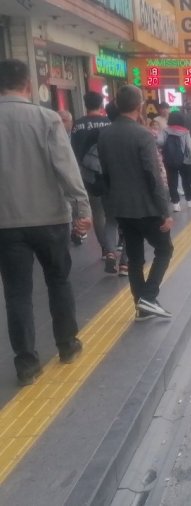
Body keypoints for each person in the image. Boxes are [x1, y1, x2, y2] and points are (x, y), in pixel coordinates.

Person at [0, 59, 92, 386]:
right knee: (58, 281)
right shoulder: (48, 118)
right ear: (28, 85)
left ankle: (26, 364)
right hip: (51, 218)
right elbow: (66, 168)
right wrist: (83, 209)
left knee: (17, 294)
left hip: (6, 223)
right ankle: (67, 345)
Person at [97, 85, 175, 321]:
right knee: (164, 249)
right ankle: (148, 298)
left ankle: (141, 307)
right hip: (147, 207)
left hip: (121, 207)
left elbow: (105, 172)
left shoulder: (105, 134)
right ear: (140, 105)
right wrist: (165, 210)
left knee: (135, 257)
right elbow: (154, 175)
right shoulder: (143, 134)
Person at [71, 91, 128, 275]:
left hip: (88, 175)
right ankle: (119, 251)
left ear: (85, 103)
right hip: (112, 175)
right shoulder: (109, 123)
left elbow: (73, 150)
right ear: (101, 104)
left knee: (98, 212)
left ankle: (106, 250)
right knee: (117, 216)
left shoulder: (77, 125)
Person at [160, 111, 191, 211]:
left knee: (172, 181)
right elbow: (190, 147)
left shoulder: (165, 130)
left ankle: (176, 204)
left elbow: (159, 142)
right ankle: (189, 201)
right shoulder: (185, 131)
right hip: (184, 160)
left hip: (169, 159)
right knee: (186, 180)